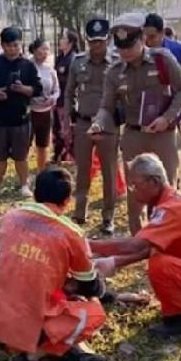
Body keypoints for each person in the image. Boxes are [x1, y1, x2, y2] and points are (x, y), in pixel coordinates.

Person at [0, 166, 119, 361]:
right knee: (94, 313)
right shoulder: (71, 234)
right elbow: (91, 286)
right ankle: (31, 357)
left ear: (35, 193)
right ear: (67, 201)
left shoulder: (11, 217)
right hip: (29, 327)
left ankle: (11, 340)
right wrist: (96, 277)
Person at [89, 154, 181, 338]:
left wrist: (89, 245)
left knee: (160, 265)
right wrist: (113, 262)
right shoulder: (168, 201)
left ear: (154, 181)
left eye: (135, 185)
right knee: (160, 257)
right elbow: (150, 247)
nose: (132, 191)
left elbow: (135, 246)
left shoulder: (172, 209)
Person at [89, 13, 181, 235]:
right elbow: (106, 107)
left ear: (142, 39)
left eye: (130, 46)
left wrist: (167, 117)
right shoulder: (114, 72)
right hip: (134, 135)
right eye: (121, 47)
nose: (125, 52)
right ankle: (138, 237)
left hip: (164, 135)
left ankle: (166, 236)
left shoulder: (162, 59)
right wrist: (98, 124)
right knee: (135, 189)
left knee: (166, 188)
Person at [65, 16, 118, 235]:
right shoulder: (78, 62)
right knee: (83, 170)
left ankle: (108, 216)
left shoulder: (117, 62)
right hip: (83, 123)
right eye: (92, 41)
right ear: (86, 41)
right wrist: (68, 119)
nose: (96, 45)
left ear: (108, 40)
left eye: (100, 41)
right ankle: (79, 212)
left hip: (108, 125)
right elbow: (69, 92)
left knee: (109, 171)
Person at [0, 26, 43, 198]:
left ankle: (24, 185)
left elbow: (37, 89)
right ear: (3, 46)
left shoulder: (28, 65)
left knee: (21, 156)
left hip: (21, 119)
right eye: (8, 46)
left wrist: (23, 89)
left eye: (15, 45)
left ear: (20, 44)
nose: (12, 49)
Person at [143, 13, 181, 188]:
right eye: (145, 36)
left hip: (170, 122)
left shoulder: (180, 52)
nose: (148, 41)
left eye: (152, 36)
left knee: (168, 171)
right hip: (143, 124)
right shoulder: (139, 53)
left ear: (162, 33)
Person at [27, 38, 59, 171]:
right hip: (29, 112)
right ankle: (24, 175)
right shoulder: (27, 66)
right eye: (43, 49)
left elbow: (56, 89)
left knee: (43, 145)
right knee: (25, 145)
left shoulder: (50, 69)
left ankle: (41, 172)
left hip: (46, 112)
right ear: (35, 50)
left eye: (48, 49)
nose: (45, 52)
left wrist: (53, 98)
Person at [52, 29, 79, 163]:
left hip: (66, 101)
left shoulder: (73, 59)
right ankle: (59, 154)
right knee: (57, 129)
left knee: (66, 130)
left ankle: (71, 156)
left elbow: (72, 83)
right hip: (57, 100)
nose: (60, 40)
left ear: (70, 42)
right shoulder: (60, 58)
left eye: (63, 38)